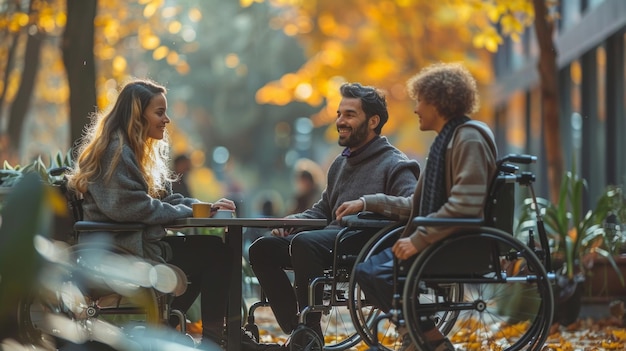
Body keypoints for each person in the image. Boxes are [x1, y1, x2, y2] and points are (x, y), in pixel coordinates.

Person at [335, 62, 498, 351]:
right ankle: (422, 336)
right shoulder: (449, 140)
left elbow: (466, 205)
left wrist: (417, 240)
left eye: (420, 101)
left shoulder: (467, 139)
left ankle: (424, 337)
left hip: (455, 242)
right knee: (369, 270)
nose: (416, 109)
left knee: (373, 272)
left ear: (438, 102)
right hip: (445, 237)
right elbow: (415, 205)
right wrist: (368, 201)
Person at [67, 79, 237, 349]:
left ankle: (174, 326)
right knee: (216, 253)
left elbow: (163, 199)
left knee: (214, 251)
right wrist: (186, 210)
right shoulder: (116, 152)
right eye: (159, 112)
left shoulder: (129, 151)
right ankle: (214, 340)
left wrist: (204, 206)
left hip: (133, 243)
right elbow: (132, 207)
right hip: (123, 249)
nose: (166, 119)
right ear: (137, 115)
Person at [248, 82, 421, 345]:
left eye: (349, 114)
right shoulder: (341, 162)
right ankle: (298, 327)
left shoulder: (395, 163)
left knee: (304, 243)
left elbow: (412, 205)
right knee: (261, 248)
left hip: (364, 243)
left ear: (373, 121)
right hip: (330, 241)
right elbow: (323, 209)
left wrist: (366, 203)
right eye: (339, 114)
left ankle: (310, 328)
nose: (340, 120)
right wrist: (292, 222)